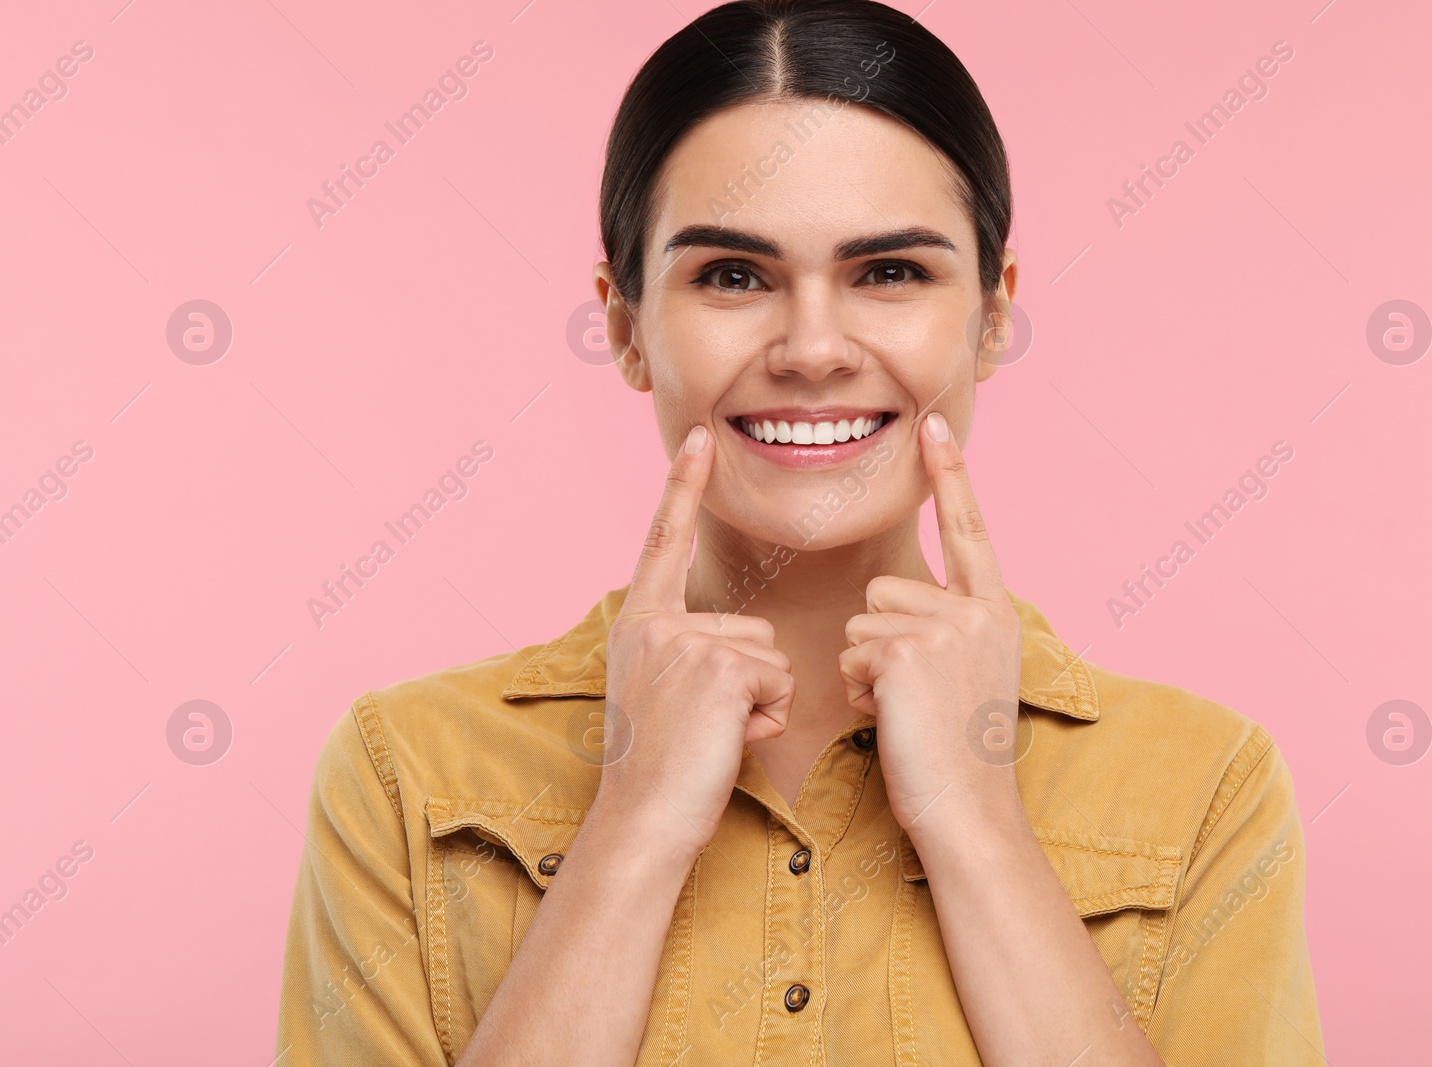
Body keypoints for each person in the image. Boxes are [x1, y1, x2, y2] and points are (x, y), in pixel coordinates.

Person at [274, 1, 1326, 1063]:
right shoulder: (408, 770)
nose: (813, 348)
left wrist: (973, 818)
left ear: (994, 314)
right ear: (626, 323)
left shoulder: (1204, 784)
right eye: (732, 275)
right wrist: (633, 821)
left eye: (889, 272)